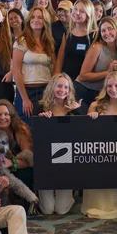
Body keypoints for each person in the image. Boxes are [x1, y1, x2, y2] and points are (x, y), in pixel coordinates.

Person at [85, 71, 117, 219]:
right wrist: (91, 117)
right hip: (98, 154)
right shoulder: (96, 105)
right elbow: (86, 132)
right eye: (110, 86)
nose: (113, 89)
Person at [35, 73, 82, 215]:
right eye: (59, 86)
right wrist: (41, 119)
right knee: (48, 210)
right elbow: (36, 134)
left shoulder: (74, 109)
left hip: (66, 159)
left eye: (66, 87)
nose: (62, 90)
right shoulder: (41, 108)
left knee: (61, 210)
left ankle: (70, 197)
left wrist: (78, 112)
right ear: (52, 87)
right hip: (46, 160)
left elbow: (83, 133)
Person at [0, 100, 35, 191]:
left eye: (6, 114)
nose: (2, 117)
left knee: (26, 173)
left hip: (19, 168)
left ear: (11, 115)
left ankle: (22, 200)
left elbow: (30, 160)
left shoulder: (20, 130)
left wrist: (10, 163)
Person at [12, 7, 55, 125]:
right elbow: (16, 71)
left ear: (45, 20)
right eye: (33, 17)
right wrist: (25, 99)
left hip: (45, 91)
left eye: (40, 17)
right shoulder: (21, 41)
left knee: (44, 127)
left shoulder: (48, 42)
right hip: (26, 91)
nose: (36, 20)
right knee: (26, 128)